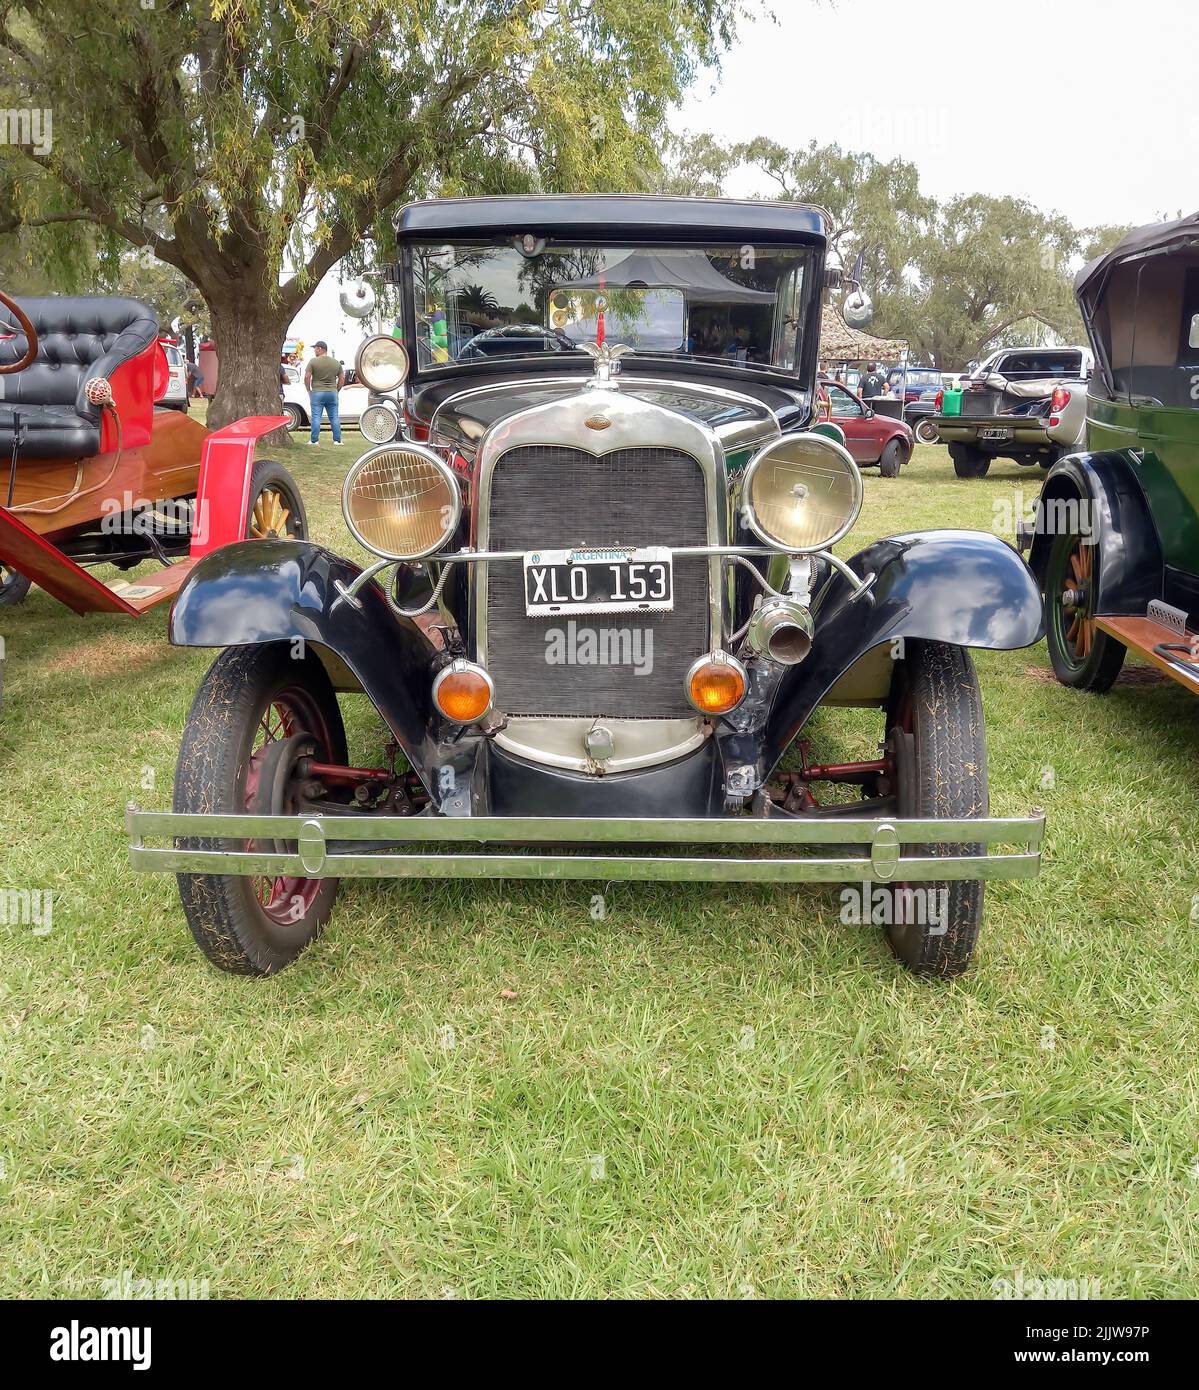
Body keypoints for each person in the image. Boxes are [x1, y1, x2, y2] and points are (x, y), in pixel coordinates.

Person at [304, 340, 344, 444]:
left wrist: (309, 390)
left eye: (315, 349)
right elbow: (342, 378)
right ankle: (337, 440)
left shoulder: (313, 361)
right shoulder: (336, 363)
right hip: (332, 393)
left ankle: (314, 440)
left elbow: (307, 376)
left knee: (316, 417)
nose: (314, 351)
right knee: (334, 417)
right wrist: (336, 390)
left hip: (317, 392)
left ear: (320, 349)